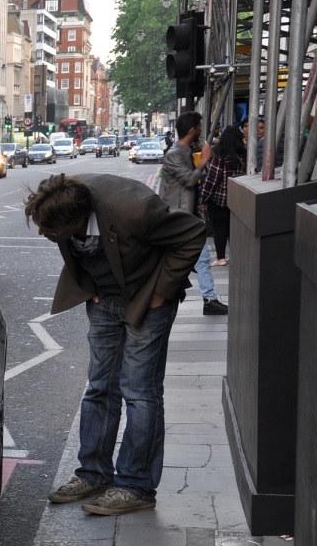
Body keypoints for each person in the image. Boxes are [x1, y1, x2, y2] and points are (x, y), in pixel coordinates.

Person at [26, 173, 204, 516]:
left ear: (75, 221)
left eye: (49, 229)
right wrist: (91, 290)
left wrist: (161, 294)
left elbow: (192, 233)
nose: (41, 233)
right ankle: (92, 474)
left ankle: (136, 485)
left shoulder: (136, 210)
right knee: (99, 388)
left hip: (145, 300)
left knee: (139, 391)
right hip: (103, 300)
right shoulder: (62, 201)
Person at [159, 111, 227, 315]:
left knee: (200, 258)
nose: (201, 130)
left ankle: (208, 299)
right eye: (199, 126)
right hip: (177, 218)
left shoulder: (187, 150)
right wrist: (204, 162)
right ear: (192, 130)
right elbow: (188, 180)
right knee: (190, 259)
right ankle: (205, 298)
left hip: (189, 216)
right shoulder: (173, 155)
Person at [199, 126, 247, 266]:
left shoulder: (220, 157)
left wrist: (204, 197)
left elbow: (212, 180)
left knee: (219, 228)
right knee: (233, 228)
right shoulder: (243, 155)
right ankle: (235, 255)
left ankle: (221, 258)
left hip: (218, 199)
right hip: (237, 198)